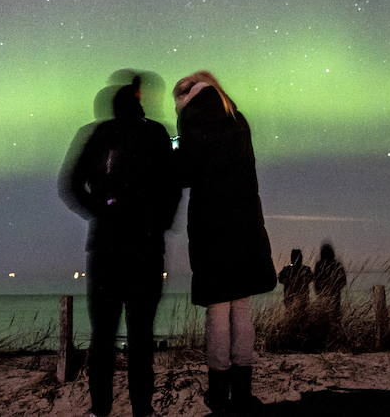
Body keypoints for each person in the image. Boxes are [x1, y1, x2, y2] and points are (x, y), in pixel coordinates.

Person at [61, 75, 182, 417]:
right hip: (144, 248)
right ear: (139, 103)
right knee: (141, 336)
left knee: (103, 336)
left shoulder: (97, 134)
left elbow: (70, 185)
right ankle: (141, 409)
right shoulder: (155, 133)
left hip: (107, 249)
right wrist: (159, 221)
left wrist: (101, 212)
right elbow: (173, 185)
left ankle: (102, 410)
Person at [174, 71, 276, 414]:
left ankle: (219, 391)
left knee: (218, 311)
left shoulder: (192, 117)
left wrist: (174, 150)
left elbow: (187, 172)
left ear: (185, 96)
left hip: (212, 226)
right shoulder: (236, 117)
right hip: (245, 225)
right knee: (242, 308)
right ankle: (243, 391)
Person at [312, 243, 346, 319]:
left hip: (323, 295)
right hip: (335, 296)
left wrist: (318, 291)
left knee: (323, 316)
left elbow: (316, 280)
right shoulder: (337, 264)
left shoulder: (319, 265)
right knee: (335, 316)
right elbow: (343, 281)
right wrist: (336, 289)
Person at [277, 249, 313, 314]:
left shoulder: (287, 270)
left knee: (291, 313)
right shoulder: (305, 269)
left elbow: (280, 279)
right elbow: (280, 279)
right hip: (299, 298)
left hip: (292, 298)